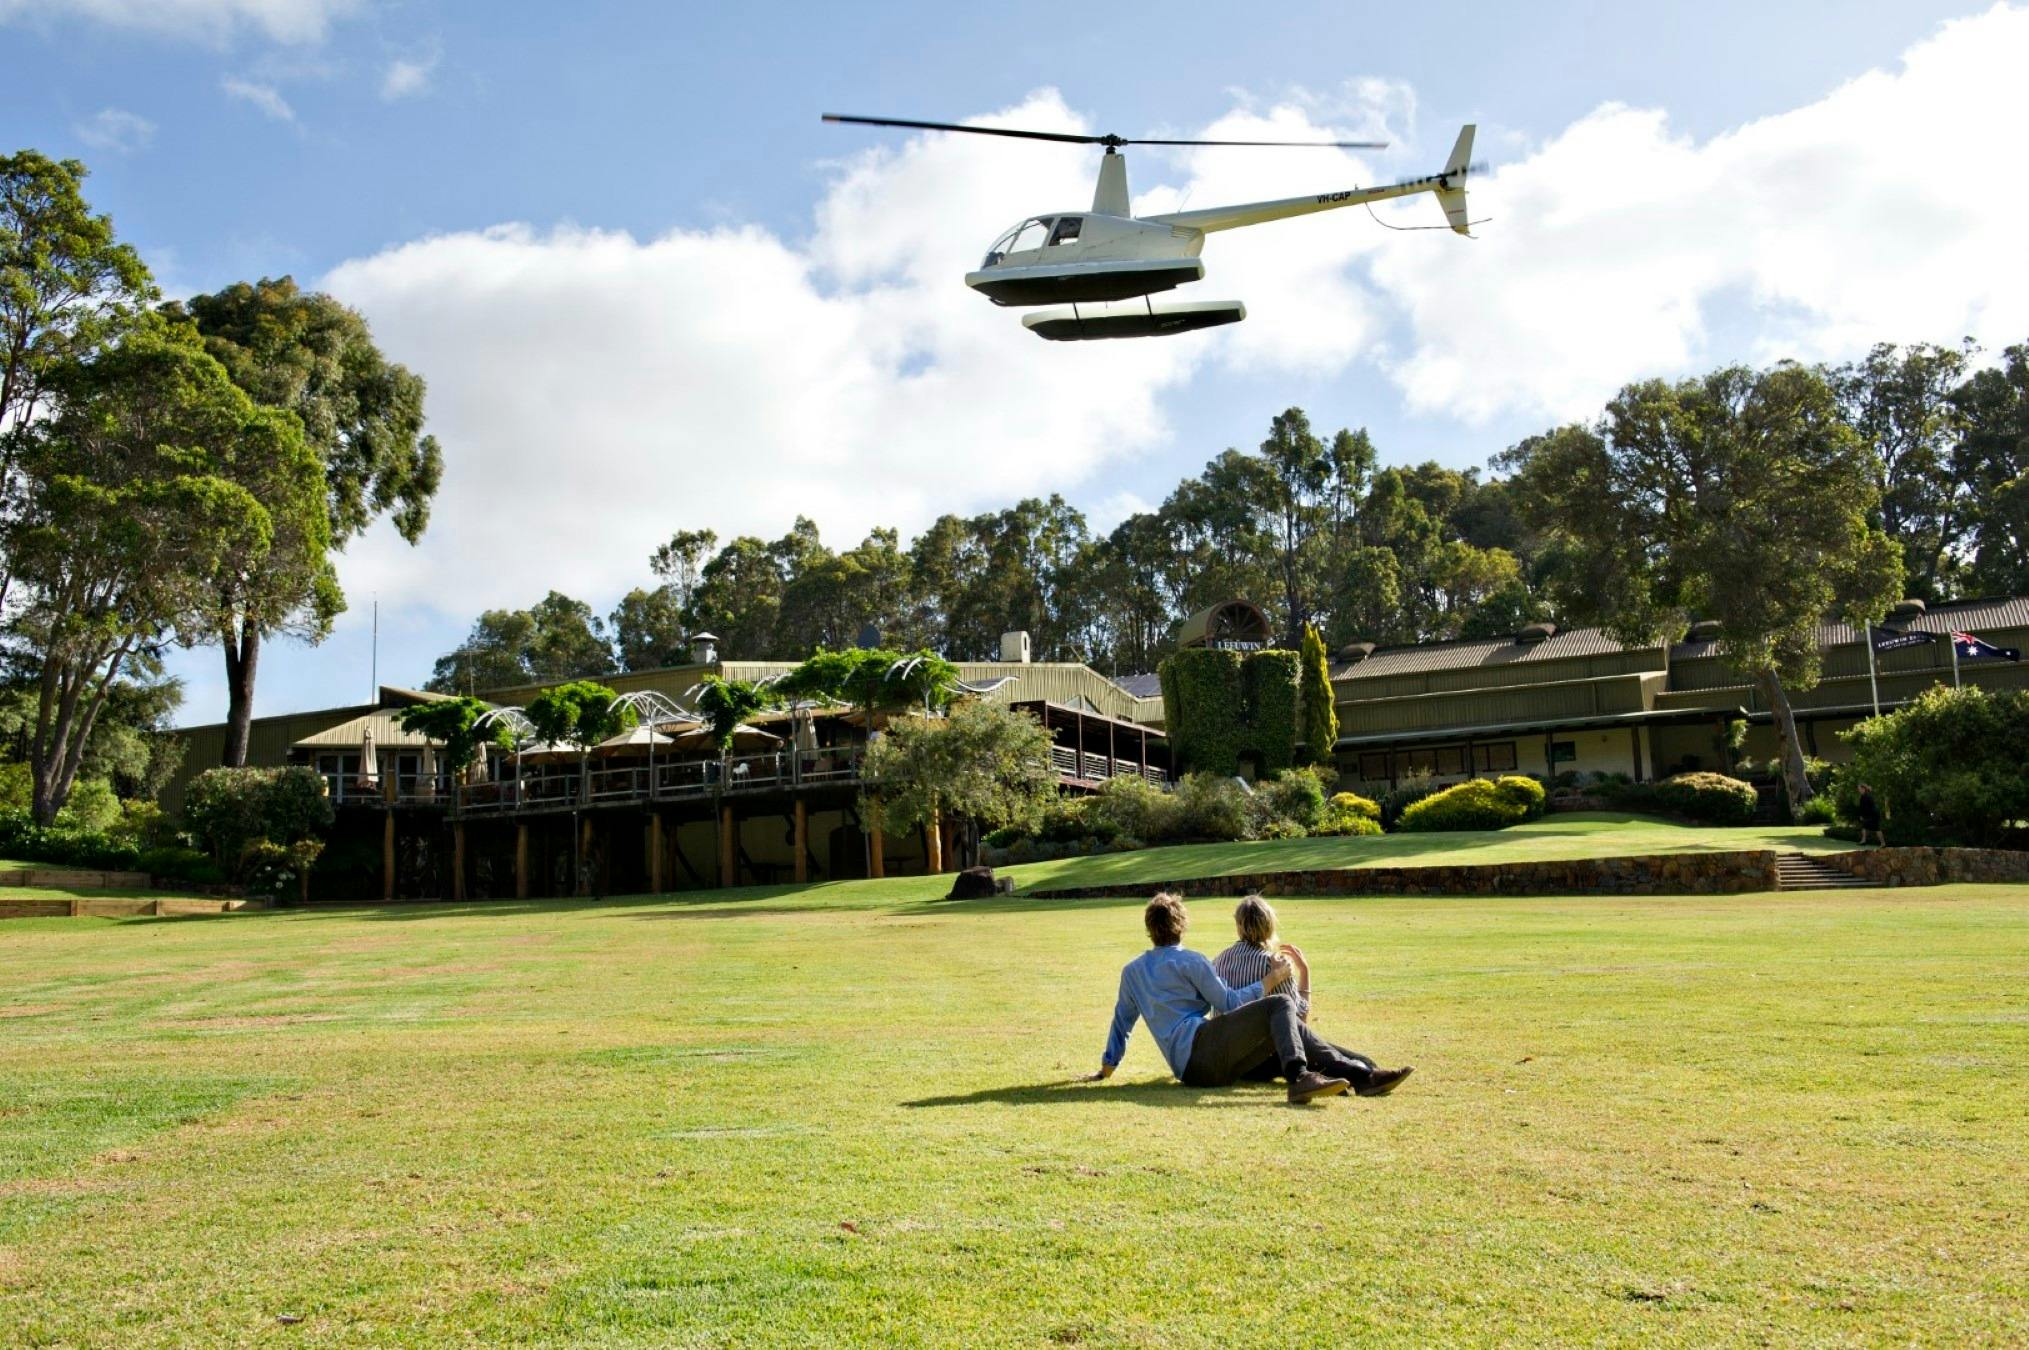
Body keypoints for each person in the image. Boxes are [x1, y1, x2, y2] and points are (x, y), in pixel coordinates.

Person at [1088, 893, 1411, 1104]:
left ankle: (1363, 1074)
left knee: (1287, 1028)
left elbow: (1122, 1022)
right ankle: (1300, 1078)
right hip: (1203, 1050)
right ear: (1181, 926)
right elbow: (1228, 1004)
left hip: (1194, 1070)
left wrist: (1107, 1068)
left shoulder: (1133, 972)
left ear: (1149, 929)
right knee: (1281, 1004)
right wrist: (1268, 981)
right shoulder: (1193, 961)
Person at [1212, 894, 1394, 1088]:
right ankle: (1366, 1074)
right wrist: (1304, 972)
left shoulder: (1218, 961)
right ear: (1269, 925)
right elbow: (1298, 1023)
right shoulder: (1275, 966)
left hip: (1230, 1058)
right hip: (1264, 1059)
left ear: (1238, 926)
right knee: (1343, 1056)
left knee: (1329, 1054)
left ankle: (1364, 1074)